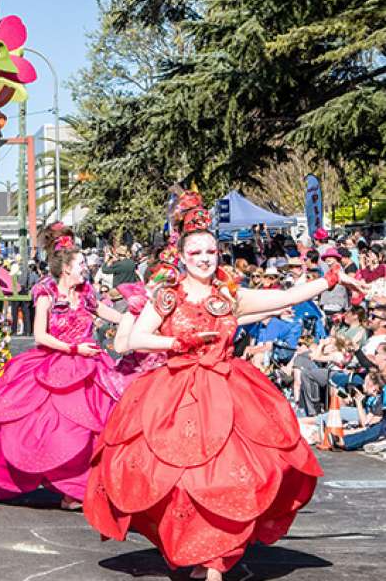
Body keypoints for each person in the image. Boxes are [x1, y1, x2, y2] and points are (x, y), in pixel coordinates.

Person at [84, 190, 357, 581]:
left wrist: (329, 279)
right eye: (196, 253)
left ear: (219, 254)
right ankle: (193, 549)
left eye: (211, 252)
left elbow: (285, 295)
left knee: (232, 477)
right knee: (180, 481)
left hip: (229, 392)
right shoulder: (166, 297)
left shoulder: (229, 296)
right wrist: (178, 342)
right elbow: (133, 340)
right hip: (175, 394)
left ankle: (216, 560)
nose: (204, 259)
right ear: (182, 256)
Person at [0, 223, 123, 508]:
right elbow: (40, 336)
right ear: (66, 267)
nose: (86, 267)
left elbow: (102, 310)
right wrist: (73, 348)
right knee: (57, 431)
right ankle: (64, 485)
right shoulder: (45, 291)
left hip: (91, 365)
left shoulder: (85, 291)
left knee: (97, 427)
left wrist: (134, 318)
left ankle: (79, 489)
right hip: (55, 364)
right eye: (81, 263)